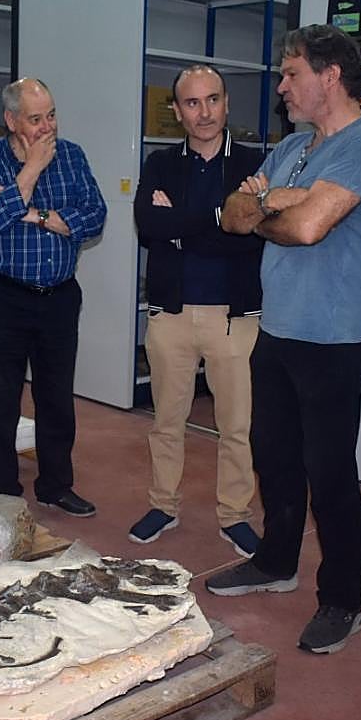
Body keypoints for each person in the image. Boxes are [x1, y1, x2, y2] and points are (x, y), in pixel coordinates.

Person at [205, 24, 361, 655]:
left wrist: (278, 206)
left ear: (330, 76)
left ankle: (344, 600)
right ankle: (275, 562)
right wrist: (276, 202)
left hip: (334, 338)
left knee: (330, 473)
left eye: (291, 73)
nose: (281, 86)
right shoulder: (291, 146)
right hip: (279, 328)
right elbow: (231, 216)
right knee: (275, 458)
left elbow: (311, 228)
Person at [129, 64, 265, 556]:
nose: (204, 112)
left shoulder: (252, 164)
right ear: (176, 111)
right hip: (171, 315)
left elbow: (252, 237)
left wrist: (182, 224)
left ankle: (235, 516)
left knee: (237, 426)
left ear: (227, 103)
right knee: (167, 420)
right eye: (192, 102)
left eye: (212, 99)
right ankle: (163, 505)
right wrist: (218, 217)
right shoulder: (161, 164)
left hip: (235, 317)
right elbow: (148, 223)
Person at [0, 78, 107, 517]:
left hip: (58, 298)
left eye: (51, 116)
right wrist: (29, 171)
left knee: (55, 397)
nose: (46, 128)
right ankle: (5, 489)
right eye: (35, 119)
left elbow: (95, 215)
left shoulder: (73, 156)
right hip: (2, 297)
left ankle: (55, 486)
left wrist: (37, 215)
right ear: (11, 120)